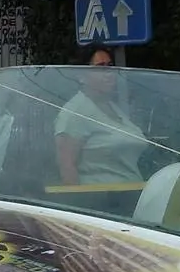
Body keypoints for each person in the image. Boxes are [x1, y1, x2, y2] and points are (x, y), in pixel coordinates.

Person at [53, 44, 146, 186]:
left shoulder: (113, 107)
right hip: (101, 201)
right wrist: (78, 204)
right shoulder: (75, 111)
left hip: (129, 196)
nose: (109, 73)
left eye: (110, 66)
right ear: (81, 76)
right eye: (101, 67)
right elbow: (66, 165)